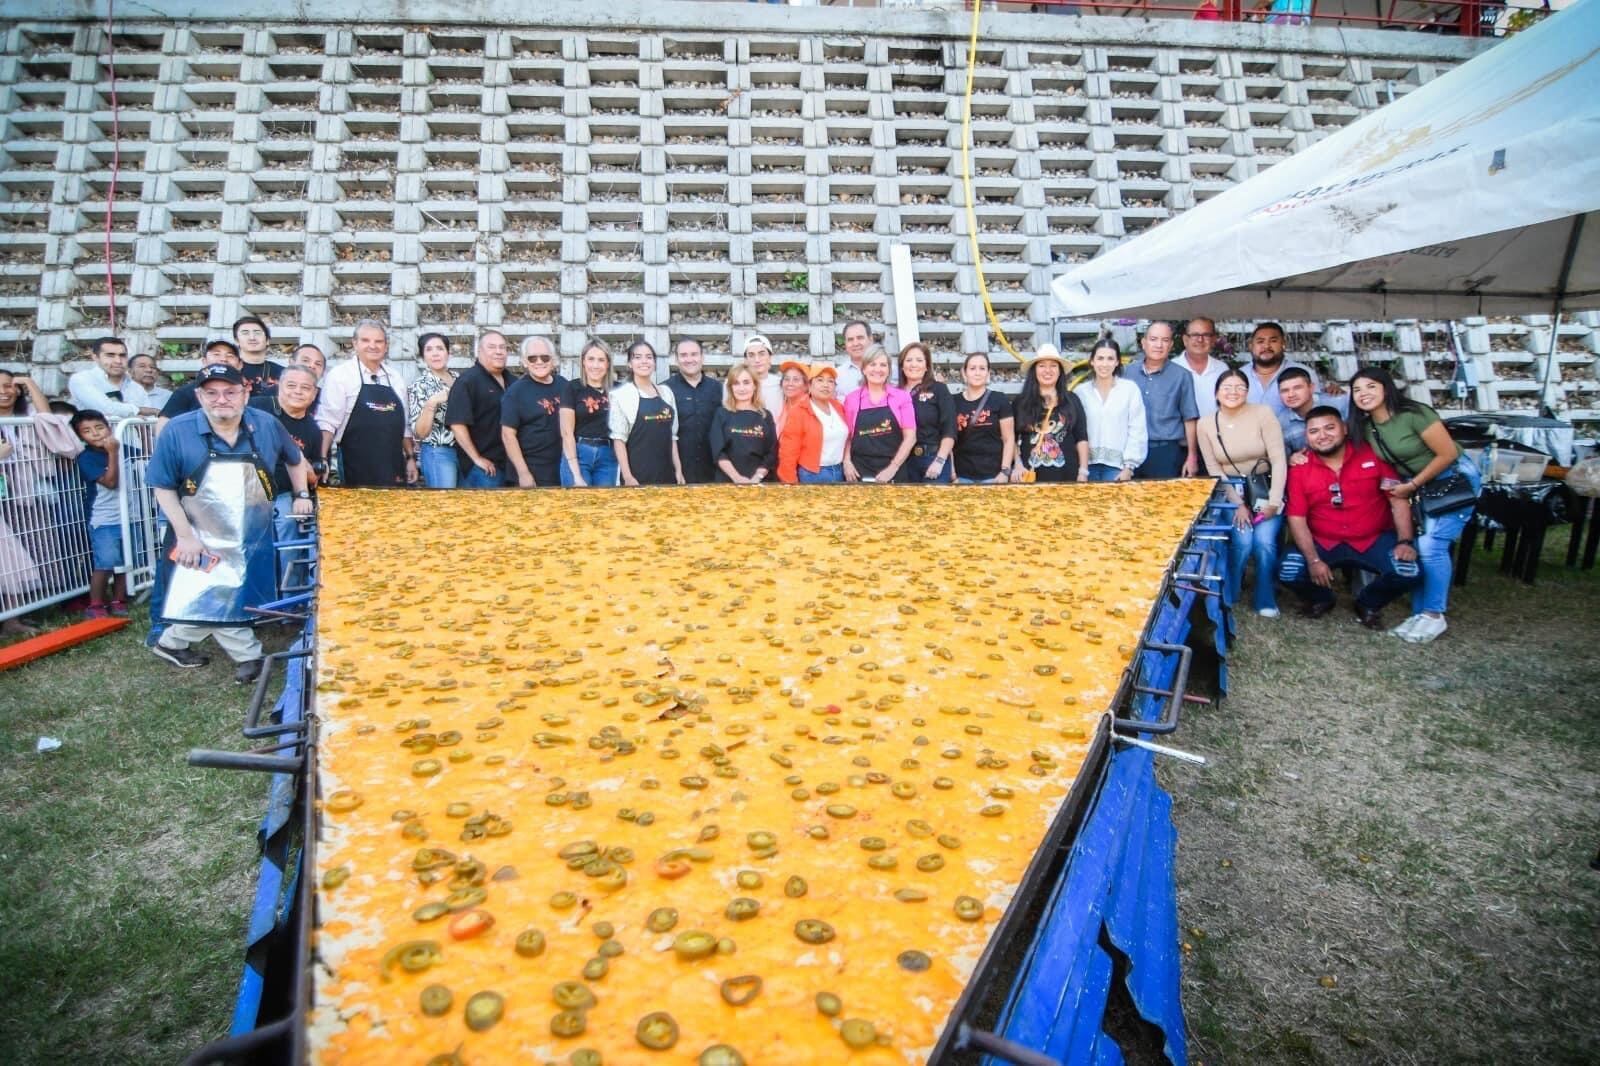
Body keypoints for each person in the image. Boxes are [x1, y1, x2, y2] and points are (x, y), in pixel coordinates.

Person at [147, 364, 311, 681]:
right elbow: (162, 488)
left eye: (230, 391)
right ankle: (248, 653)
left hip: (251, 528)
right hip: (198, 529)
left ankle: (171, 642)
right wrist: (184, 536)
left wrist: (302, 492)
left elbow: (294, 460)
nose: (222, 399)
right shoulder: (178, 431)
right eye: (212, 393)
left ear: (245, 393)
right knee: (218, 586)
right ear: (199, 396)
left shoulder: (266, 425)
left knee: (235, 586)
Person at [1349, 366, 1481, 644]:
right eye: (1357, 389)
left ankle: (1434, 615)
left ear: (1386, 388)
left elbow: (1446, 454)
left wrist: (1412, 485)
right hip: (1417, 487)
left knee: (1433, 545)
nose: (1364, 394)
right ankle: (1420, 613)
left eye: (1371, 387)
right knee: (1422, 548)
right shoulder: (1367, 427)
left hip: (1451, 480)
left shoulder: (1414, 414)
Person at [1281, 406, 1419, 630]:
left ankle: (1367, 603)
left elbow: (1397, 500)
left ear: (1344, 429)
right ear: (1306, 437)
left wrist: (1405, 541)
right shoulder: (1300, 468)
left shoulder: (1372, 455)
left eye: (1329, 428)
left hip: (1372, 539)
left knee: (1409, 571)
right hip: (1324, 540)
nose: (1322, 435)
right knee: (1288, 570)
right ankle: (1322, 598)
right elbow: (1297, 517)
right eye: (1314, 431)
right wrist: (1314, 560)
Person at [1197, 369, 1287, 617]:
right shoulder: (1205, 424)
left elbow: (1278, 459)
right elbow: (1214, 469)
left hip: (1264, 486)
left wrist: (1275, 500)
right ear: (1216, 393)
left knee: (1264, 543)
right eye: (1227, 387)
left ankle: (1265, 597)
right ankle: (1232, 591)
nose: (1233, 392)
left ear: (1248, 392)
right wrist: (1237, 503)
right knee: (1243, 542)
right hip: (1231, 490)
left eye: (1239, 387)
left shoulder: (1263, 414)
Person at [317, 320, 416, 487]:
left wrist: (410, 457)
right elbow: (328, 422)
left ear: (386, 346)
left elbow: (404, 425)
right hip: (355, 459)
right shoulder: (340, 375)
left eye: (378, 341)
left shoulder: (395, 378)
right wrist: (322, 458)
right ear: (354, 343)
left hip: (392, 461)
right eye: (366, 340)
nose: (373, 346)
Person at [250, 365, 323, 588]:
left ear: (314, 394)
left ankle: (289, 600)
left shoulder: (312, 429)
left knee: (292, 535)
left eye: (305, 388)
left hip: (287, 493)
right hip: (249, 490)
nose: (297, 392)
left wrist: (312, 472)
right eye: (291, 385)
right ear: (278, 387)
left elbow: (314, 474)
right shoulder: (257, 409)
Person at [70, 410, 130, 618]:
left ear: (108, 427)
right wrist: (113, 453)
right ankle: (95, 604)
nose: (95, 434)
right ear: (81, 437)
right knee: (105, 562)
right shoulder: (87, 458)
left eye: (99, 427)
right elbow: (111, 483)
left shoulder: (128, 449)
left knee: (124, 561)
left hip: (130, 516)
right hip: (103, 519)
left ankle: (119, 600)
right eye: (87, 431)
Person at [1128, 322, 1198, 479]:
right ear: (1144, 343)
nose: (1159, 345)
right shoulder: (1127, 372)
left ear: (1171, 345)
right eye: (1153, 339)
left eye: (1165, 340)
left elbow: (1190, 417)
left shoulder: (1182, 376)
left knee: (1164, 501)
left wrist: (1192, 456)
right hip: (1130, 449)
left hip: (1166, 451)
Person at [1011, 344, 1089, 483]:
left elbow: (1081, 437)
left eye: (1053, 365)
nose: (1048, 370)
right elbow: (1011, 438)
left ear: (1060, 371)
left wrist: (1083, 471)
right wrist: (1017, 465)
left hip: (1067, 477)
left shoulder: (1072, 400)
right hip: (1029, 477)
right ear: (1034, 371)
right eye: (1042, 366)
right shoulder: (1021, 402)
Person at [1073, 338, 1147, 483]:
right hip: (1086, 467)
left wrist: (1129, 467)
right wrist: (1081, 468)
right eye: (1100, 358)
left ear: (1117, 362)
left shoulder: (1129, 390)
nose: (1105, 364)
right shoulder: (1080, 392)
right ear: (1092, 361)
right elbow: (1075, 431)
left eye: (1110, 359)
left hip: (1117, 468)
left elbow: (1137, 429)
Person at [611, 339, 683, 486]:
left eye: (649, 357)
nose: (644, 361)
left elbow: (672, 437)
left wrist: (678, 470)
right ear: (630, 364)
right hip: (637, 477)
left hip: (666, 475)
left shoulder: (666, 393)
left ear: (655, 363)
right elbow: (619, 441)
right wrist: (628, 477)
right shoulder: (622, 396)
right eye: (638, 357)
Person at [447, 331, 513, 488]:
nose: (498, 351)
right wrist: (476, 458)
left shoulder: (513, 381)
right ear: (479, 351)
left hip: (509, 467)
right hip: (484, 470)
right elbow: (457, 424)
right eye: (491, 347)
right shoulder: (467, 381)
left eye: (502, 347)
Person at [501, 335, 567, 488]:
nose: (539, 362)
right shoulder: (515, 392)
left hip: (560, 470)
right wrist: (523, 473)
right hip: (531, 473)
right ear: (524, 361)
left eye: (545, 357)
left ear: (553, 360)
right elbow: (508, 435)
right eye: (532, 358)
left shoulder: (564, 385)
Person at [842, 346, 915, 483]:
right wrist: (847, 462)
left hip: (894, 471)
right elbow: (848, 437)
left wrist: (893, 468)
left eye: (883, 365)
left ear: (888, 371)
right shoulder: (852, 399)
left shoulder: (901, 397)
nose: (877, 369)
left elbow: (910, 437)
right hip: (859, 470)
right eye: (872, 364)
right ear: (864, 369)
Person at [559, 338, 619, 488]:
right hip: (579, 454)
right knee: (579, 505)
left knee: (604, 507)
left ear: (608, 364)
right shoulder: (572, 388)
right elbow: (566, 433)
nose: (595, 365)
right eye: (591, 359)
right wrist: (576, 475)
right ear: (583, 362)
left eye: (601, 360)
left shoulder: (619, 390)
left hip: (608, 455)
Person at [951, 352, 1015, 484]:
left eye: (982, 368)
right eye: (972, 368)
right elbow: (948, 440)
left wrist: (1005, 472)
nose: (977, 373)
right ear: (964, 373)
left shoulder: (999, 400)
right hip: (962, 476)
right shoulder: (953, 402)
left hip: (994, 476)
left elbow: (1008, 439)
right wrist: (952, 475)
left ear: (988, 373)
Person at [663, 336, 720, 484]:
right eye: (683, 355)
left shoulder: (717, 389)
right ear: (676, 360)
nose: (689, 359)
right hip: (677, 472)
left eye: (694, 354)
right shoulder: (665, 390)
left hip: (712, 471)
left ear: (702, 357)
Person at [777, 364, 847, 484]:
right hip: (813, 474)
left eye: (830, 381)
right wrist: (790, 482)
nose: (825, 385)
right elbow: (788, 452)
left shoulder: (838, 407)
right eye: (820, 380)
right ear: (809, 385)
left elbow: (848, 437)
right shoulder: (799, 411)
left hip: (840, 471)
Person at [897, 341, 955, 483]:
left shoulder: (939, 390)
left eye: (919, 360)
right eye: (909, 360)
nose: (913, 364)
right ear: (902, 365)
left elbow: (950, 430)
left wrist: (940, 461)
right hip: (904, 462)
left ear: (927, 366)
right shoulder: (894, 394)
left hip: (933, 459)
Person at [708, 365, 777, 484]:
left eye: (746, 382)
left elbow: (771, 453)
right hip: (728, 482)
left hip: (760, 483)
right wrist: (737, 478)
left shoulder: (766, 416)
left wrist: (757, 477)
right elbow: (718, 452)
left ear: (755, 385)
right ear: (730, 388)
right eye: (736, 383)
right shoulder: (722, 414)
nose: (741, 388)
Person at [1244, 322, 1329, 418]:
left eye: (1273, 341)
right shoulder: (1239, 376)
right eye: (1260, 341)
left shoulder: (1303, 372)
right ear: (1251, 346)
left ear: (1283, 344)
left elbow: (1317, 408)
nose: (1266, 346)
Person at [407, 332, 459, 489]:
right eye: (429, 349)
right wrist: (432, 403)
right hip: (438, 452)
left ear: (448, 353)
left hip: (463, 451)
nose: (435, 353)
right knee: (443, 503)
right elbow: (420, 433)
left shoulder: (459, 379)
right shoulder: (419, 386)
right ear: (423, 356)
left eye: (440, 348)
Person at [158, 339, 243, 432]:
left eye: (230, 355)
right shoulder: (185, 392)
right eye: (216, 354)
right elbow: (163, 429)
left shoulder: (247, 390)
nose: (223, 359)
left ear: (240, 364)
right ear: (204, 361)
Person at [68, 336, 156, 419]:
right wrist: (141, 410)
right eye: (110, 355)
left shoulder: (136, 387)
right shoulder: (82, 379)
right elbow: (106, 409)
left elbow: (149, 422)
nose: (118, 361)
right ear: (95, 357)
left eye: (122, 355)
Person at [1276, 366, 1349, 453]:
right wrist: (1292, 458)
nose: (1291, 394)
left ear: (1311, 388)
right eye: (1284, 390)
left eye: (1297, 388)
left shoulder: (1339, 403)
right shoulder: (1280, 422)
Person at [1177, 317, 1230, 418]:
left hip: (1214, 432)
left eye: (1206, 335)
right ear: (1185, 340)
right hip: (1181, 433)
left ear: (1214, 340)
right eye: (1195, 335)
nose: (1200, 339)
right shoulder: (1171, 369)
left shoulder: (1222, 369)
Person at [233, 315, 285, 397]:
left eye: (257, 333)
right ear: (236, 341)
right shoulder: (229, 370)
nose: (252, 338)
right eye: (245, 333)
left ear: (267, 340)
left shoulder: (283, 373)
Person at [742, 335, 783, 414]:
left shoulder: (782, 385)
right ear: (745, 360)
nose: (757, 360)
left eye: (761, 354)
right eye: (751, 355)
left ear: (770, 357)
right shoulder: (734, 386)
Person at [836, 319, 873, 396]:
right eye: (850, 340)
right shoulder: (837, 375)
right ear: (845, 344)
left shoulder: (889, 370)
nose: (855, 343)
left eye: (860, 338)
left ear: (870, 340)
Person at [773, 359, 810, 437]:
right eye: (786, 379)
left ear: (806, 386)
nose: (790, 384)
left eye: (796, 380)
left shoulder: (810, 409)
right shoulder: (782, 404)